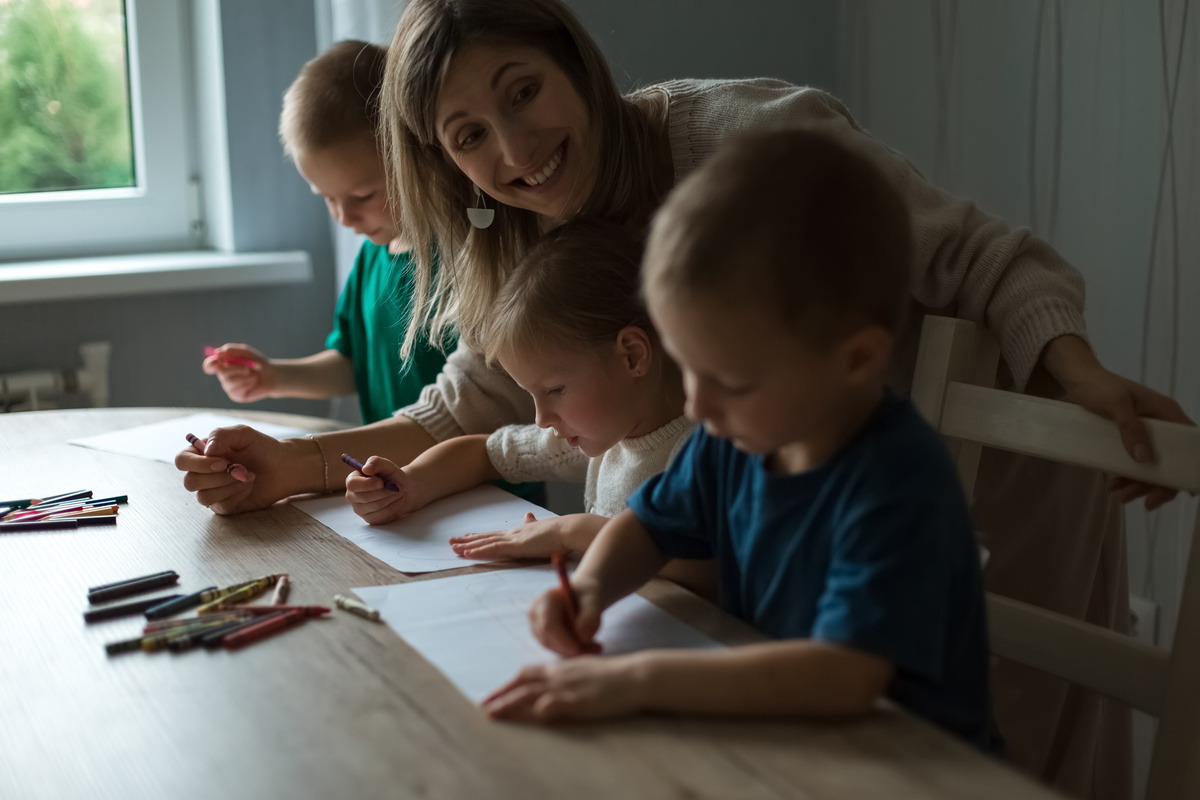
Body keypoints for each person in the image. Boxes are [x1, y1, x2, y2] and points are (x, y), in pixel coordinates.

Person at [177, 4, 1190, 795]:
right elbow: (467, 406)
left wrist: (1074, 364)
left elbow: (975, 255)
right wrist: (297, 463)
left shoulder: (744, 140)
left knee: (1023, 761)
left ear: (572, 59)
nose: (515, 151)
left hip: (977, 488)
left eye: (524, 92)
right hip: (784, 537)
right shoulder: (540, 260)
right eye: (470, 135)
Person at [484, 129, 1000, 754]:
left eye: (729, 379)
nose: (697, 404)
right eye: (689, 366)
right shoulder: (734, 437)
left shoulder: (899, 482)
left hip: (912, 763)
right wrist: (592, 588)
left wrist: (637, 679)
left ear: (856, 359)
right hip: (785, 739)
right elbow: (646, 528)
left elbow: (842, 677)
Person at [345, 220, 694, 565]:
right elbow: (485, 453)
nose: (541, 419)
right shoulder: (612, 435)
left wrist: (568, 531)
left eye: (555, 389)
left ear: (632, 355)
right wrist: (412, 485)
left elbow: (697, 565)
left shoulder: (697, 452)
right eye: (532, 395)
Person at [202, 40, 450, 426]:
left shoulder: (464, 258)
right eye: (327, 198)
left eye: (362, 195)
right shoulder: (372, 258)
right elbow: (351, 364)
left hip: (487, 485)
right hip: (400, 483)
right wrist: (272, 376)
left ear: (420, 155)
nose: (344, 217)